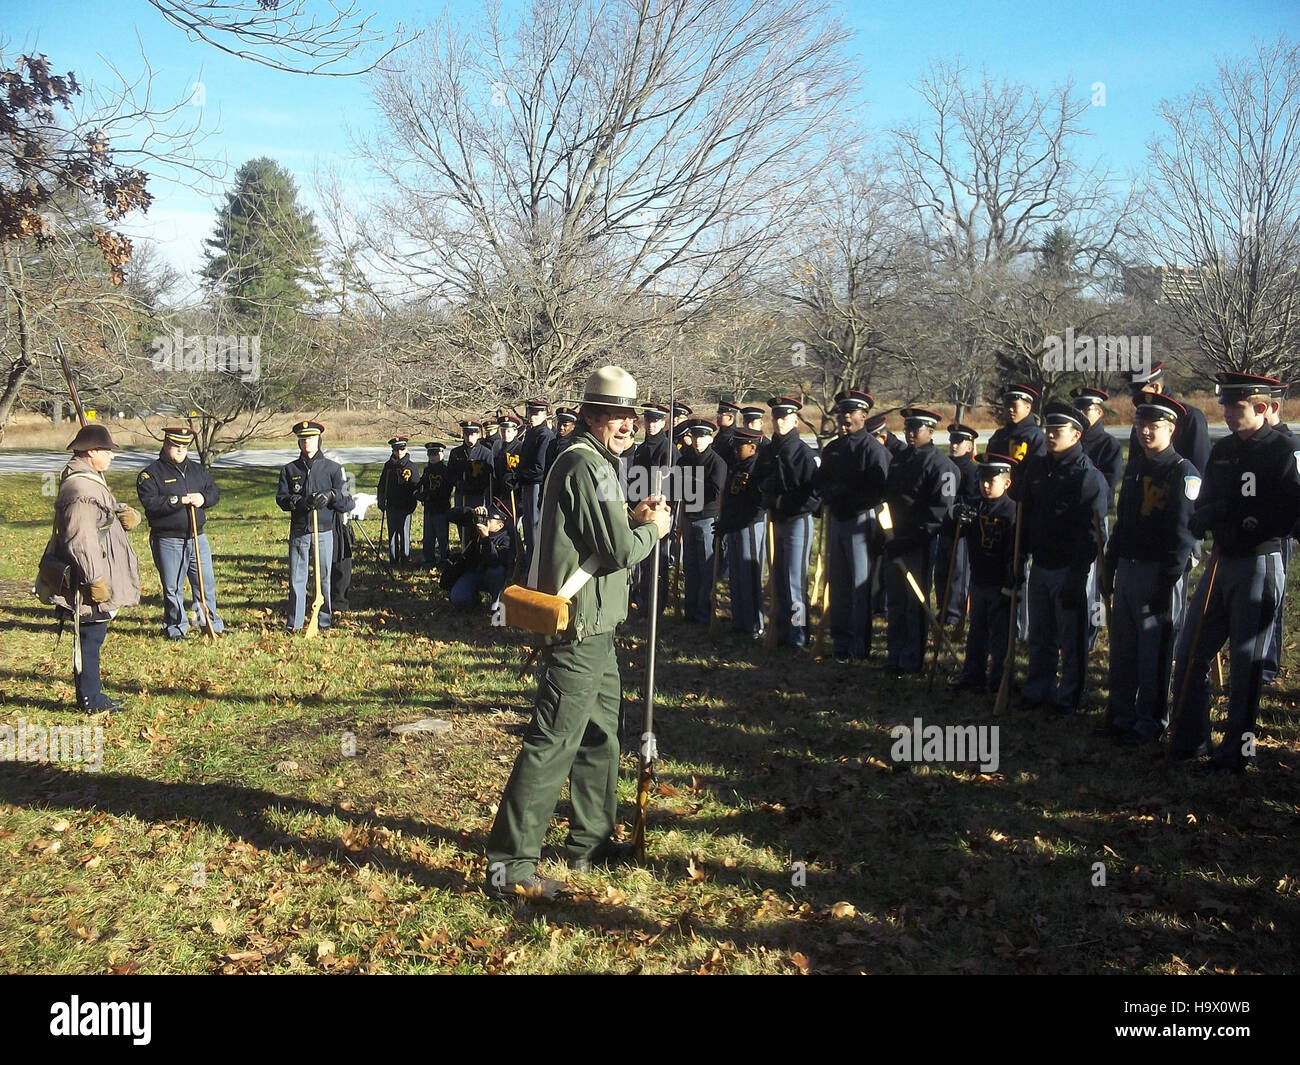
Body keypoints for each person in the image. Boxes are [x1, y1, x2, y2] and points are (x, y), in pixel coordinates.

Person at [485, 366, 672, 900]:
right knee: (552, 742)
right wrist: (653, 530)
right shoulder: (583, 464)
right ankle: (510, 866)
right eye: (614, 415)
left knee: (600, 738)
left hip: (599, 628)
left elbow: (601, 531)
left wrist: (634, 516)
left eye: (630, 416)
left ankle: (589, 843)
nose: (625, 425)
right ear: (590, 415)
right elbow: (617, 550)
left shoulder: (598, 464)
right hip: (577, 629)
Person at [1170, 373, 1300, 772]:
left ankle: (1239, 750)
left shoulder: (1284, 449)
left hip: (1260, 561)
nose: (1226, 413)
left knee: (1248, 664)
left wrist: (1238, 515)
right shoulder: (1224, 450)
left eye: (1236, 406)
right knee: (1189, 650)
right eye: (1224, 404)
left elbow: (1289, 511)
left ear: (1262, 408)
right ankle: (1191, 739)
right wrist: (1206, 513)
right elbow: (1208, 495)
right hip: (1221, 561)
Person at [1103, 394, 1197, 745]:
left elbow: (1183, 536)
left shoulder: (1181, 472)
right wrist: (1110, 564)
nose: (1145, 432)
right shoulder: (1136, 467)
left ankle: (1150, 722)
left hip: (1159, 573)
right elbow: (1123, 522)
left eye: (1154, 426)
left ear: (1171, 430)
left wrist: (1166, 583)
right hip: (1128, 567)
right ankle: (1121, 713)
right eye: (1141, 425)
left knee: (1154, 650)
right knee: (1123, 648)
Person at [1012, 401, 1108, 715]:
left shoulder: (1087, 476)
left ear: (1077, 435)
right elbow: (1026, 514)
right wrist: (1019, 558)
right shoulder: (1037, 468)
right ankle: (1038, 689)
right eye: (1049, 429)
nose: (1050, 435)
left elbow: (1093, 533)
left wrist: (1079, 574)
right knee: (1040, 633)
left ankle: (1069, 696)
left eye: (1058, 430)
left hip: (1070, 567)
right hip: (1040, 563)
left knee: (1072, 638)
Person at [43, 423, 142, 712]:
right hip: (87, 577)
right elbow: (80, 541)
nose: (111, 457)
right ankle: (91, 700)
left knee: (91, 636)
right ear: (91, 452)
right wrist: (95, 580)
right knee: (90, 637)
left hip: (92, 572)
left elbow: (95, 517)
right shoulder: (80, 488)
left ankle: (91, 696)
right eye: (107, 452)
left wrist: (117, 510)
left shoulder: (87, 479)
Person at [881, 408, 958, 675]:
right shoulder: (899, 459)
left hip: (920, 542)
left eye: (917, 428)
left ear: (931, 431)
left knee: (916, 602)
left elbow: (940, 514)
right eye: (908, 427)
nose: (911, 432)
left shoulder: (941, 465)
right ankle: (895, 655)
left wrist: (911, 539)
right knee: (896, 602)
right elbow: (889, 498)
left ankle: (912, 659)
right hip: (894, 538)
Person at [815, 390, 889, 661]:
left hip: (861, 520)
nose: (845, 420)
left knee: (860, 585)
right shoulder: (833, 448)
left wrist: (847, 495)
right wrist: (828, 492)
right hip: (837, 520)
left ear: (863, 416)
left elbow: (879, 490)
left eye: (851, 415)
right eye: (842, 416)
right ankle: (841, 643)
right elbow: (820, 480)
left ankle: (860, 645)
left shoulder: (873, 449)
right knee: (839, 583)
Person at [135, 425, 224, 639]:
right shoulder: (151, 474)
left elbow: (213, 491)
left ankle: (208, 623)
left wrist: (203, 499)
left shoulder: (197, 470)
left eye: (184, 446)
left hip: (197, 537)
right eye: (176, 445)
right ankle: (175, 627)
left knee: (204, 584)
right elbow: (151, 503)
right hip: (168, 539)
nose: (180, 450)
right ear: (166, 444)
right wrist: (178, 501)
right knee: (173, 587)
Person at [950, 454, 1020, 694]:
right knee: (976, 631)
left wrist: (1012, 583)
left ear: (1007, 483)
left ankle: (1000, 679)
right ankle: (972, 675)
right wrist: (956, 515)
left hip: (1000, 581)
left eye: (992, 481)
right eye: (982, 480)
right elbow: (954, 527)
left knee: (1000, 635)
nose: (985, 485)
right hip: (978, 580)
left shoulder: (1012, 512)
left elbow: (1015, 552)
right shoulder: (975, 505)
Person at [275, 420, 354, 633]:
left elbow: (348, 501)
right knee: (296, 578)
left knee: (325, 578)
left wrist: (331, 496)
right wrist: (299, 502)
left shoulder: (333, 469)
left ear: (318, 439)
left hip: (324, 531)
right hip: (300, 531)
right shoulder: (290, 469)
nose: (306, 443)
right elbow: (281, 498)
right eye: (302, 439)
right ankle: (295, 623)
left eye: (310, 438)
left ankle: (324, 620)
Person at [758, 396, 821, 647]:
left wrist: (782, 502)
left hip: (797, 521)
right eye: (776, 417)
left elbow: (813, 495)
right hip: (774, 522)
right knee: (778, 580)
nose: (779, 422)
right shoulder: (769, 451)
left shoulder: (804, 454)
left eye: (784, 418)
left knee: (795, 581)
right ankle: (781, 629)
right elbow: (760, 480)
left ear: (795, 421)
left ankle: (798, 633)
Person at [1072, 387, 1124, 651]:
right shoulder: (1072, 440)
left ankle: (1092, 633)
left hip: (1094, 517)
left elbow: (1108, 484)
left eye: (1087, 410)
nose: (1081, 414)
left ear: (1099, 412)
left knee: (1095, 582)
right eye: (1078, 409)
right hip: (1069, 519)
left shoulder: (1108, 445)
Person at [717, 425, 767, 636]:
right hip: (734, 527)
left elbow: (754, 504)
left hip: (749, 526)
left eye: (740, 445)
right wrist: (724, 523)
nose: (736, 449)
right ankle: (739, 621)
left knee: (750, 576)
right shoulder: (737, 466)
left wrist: (735, 522)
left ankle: (755, 624)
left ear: (753, 447)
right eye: (735, 445)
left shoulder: (758, 468)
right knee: (736, 576)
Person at [678, 419, 728, 623]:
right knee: (689, 566)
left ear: (710, 438)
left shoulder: (717, 462)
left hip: (708, 518)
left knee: (706, 566)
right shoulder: (685, 460)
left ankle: (703, 612)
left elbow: (715, 492)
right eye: (695, 436)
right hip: (688, 517)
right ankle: (690, 610)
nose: (698, 440)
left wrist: (691, 486)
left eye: (702, 436)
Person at [1126, 362, 1211, 475]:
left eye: (1141, 394)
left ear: (1155, 387)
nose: (1137, 401)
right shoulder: (1141, 421)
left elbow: (1201, 468)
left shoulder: (1190, 417)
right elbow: (1133, 467)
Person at [935, 422, 980, 627]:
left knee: (959, 573)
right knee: (942, 571)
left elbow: (973, 499)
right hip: (944, 527)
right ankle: (942, 609)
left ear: (970, 446)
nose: (954, 445)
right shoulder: (946, 466)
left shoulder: (971, 471)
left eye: (960, 441)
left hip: (962, 531)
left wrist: (960, 509)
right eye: (953, 440)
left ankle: (955, 614)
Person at [630, 401, 672, 614]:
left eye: (655, 421)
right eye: (648, 420)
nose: (651, 424)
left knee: (658, 561)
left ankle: (657, 602)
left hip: (658, 509)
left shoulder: (668, 449)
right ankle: (642, 599)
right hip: (640, 507)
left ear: (663, 422)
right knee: (642, 558)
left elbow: (671, 485)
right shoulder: (642, 447)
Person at [445, 498, 515, 613]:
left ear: (500, 525)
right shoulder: (477, 527)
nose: (484, 521)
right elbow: (450, 514)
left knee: (497, 571)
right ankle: (473, 601)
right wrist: (471, 512)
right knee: (458, 598)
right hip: (475, 573)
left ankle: (497, 604)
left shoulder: (507, 538)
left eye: (488, 519)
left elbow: (495, 561)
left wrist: (486, 538)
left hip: (494, 578)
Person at [517, 399, 555, 564]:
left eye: (536, 413)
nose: (531, 417)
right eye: (530, 413)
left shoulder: (545, 435)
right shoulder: (531, 433)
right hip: (526, 483)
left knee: (533, 525)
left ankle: (535, 565)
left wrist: (519, 474)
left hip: (536, 485)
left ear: (545, 414)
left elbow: (539, 468)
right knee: (527, 524)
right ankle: (529, 562)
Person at [377, 437, 420, 565]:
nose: (399, 452)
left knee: (404, 533)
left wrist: (413, 504)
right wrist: (381, 500)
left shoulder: (411, 466)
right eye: (396, 449)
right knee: (392, 534)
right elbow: (381, 485)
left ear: (406, 448)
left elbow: (416, 486)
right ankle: (393, 559)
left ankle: (405, 558)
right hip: (391, 505)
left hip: (406, 506)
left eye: (402, 449)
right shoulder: (388, 466)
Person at [419, 442, 453, 567]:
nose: (433, 457)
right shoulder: (427, 470)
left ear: (442, 454)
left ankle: (444, 559)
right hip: (428, 508)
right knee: (428, 536)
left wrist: (433, 496)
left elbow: (447, 489)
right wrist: (419, 493)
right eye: (430, 454)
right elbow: (421, 483)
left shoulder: (445, 470)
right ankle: (429, 560)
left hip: (441, 508)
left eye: (436, 454)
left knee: (442, 536)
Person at [448, 421, 494, 511]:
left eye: (472, 435)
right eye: (466, 435)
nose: (469, 438)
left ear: (478, 435)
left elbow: (489, 478)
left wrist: (474, 485)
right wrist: (457, 482)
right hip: (461, 495)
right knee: (461, 521)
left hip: (478, 496)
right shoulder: (456, 453)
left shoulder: (486, 453)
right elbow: (450, 473)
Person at [543, 407, 579, 475]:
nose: (561, 427)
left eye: (565, 425)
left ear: (573, 426)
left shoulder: (573, 445)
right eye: (559, 424)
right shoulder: (552, 443)